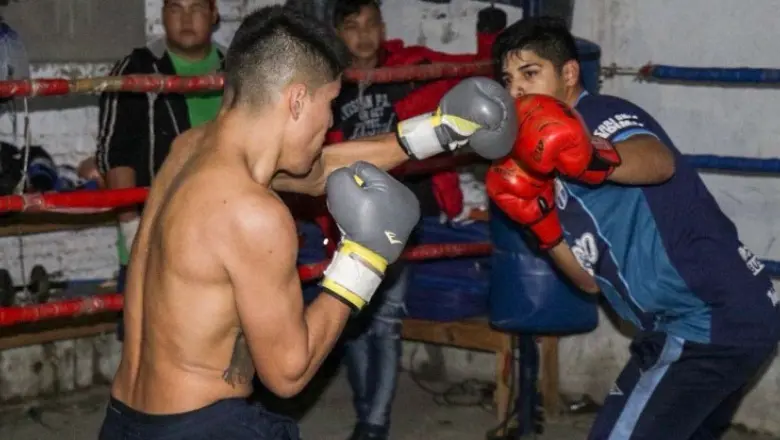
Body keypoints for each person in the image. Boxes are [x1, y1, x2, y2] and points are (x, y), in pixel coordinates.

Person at [97, 5, 517, 439]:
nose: (332, 121)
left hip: (124, 419)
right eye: (330, 104)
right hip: (202, 427)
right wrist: (363, 260)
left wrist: (441, 130)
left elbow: (320, 170)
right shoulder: (254, 214)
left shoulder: (190, 149)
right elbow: (288, 373)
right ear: (297, 99)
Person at [486, 16, 780, 440]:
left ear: (569, 73)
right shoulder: (540, 166)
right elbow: (588, 283)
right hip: (710, 322)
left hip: (705, 321)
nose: (517, 91)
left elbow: (657, 162)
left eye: (530, 74)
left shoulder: (598, 115)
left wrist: (590, 157)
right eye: (509, 80)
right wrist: (540, 223)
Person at [326, 1, 506, 438]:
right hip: (344, 215)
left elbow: (471, 71)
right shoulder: (326, 84)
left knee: (385, 323)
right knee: (349, 322)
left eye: (372, 25)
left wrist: (490, 41)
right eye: (353, 26)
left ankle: (374, 425)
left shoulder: (410, 67)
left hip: (401, 213)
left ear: (383, 27)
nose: (364, 35)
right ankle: (366, 409)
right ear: (337, 32)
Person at [95, 0, 224, 341]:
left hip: (224, 236)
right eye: (175, 8)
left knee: (221, 346)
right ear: (163, 15)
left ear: (213, 14)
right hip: (156, 236)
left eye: (196, 8)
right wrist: (134, 235)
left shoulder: (237, 69)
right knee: (148, 350)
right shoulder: (137, 68)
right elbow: (114, 153)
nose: (185, 18)